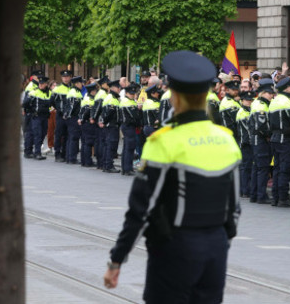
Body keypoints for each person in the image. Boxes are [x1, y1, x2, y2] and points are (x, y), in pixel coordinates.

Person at [104, 50, 241, 303]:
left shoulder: (163, 141)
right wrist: (220, 244)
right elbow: (234, 210)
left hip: (175, 248)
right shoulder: (226, 140)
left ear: (174, 96)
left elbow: (141, 209)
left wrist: (117, 259)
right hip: (215, 248)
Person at [268, 77, 290, 207]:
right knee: (285, 168)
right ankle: (283, 198)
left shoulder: (273, 101)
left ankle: (275, 197)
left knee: (277, 168)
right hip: (285, 138)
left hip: (275, 137)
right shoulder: (288, 102)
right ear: (286, 88)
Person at [249, 78, 274, 204]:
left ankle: (254, 194)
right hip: (261, 140)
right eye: (270, 93)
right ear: (263, 92)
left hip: (256, 140)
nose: (271, 96)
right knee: (263, 168)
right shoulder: (261, 105)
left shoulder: (256, 103)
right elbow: (262, 127)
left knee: (257, 168)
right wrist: (269, 135)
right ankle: (261, 195)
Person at [23, 75, 51, 160]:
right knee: (37, 134)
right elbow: (25, 103)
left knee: (43, 133)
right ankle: (36, 153)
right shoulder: (34, 92)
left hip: (45, 116)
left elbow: (52, 103)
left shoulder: (49, 93)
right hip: (36, 116)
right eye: (40, 83)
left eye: (43, 84)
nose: (41, 85)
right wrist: (31, 111)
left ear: (46, 84)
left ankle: (33, 151)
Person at [236, 90, 255, 199]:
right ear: (242, 101)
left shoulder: (248, 110)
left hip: (247, 142)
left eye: (250, 100)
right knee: (245, 167)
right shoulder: (242, 112)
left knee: (247, 167)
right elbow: (248, 129)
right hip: (245, 143)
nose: (249, 102)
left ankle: (245, 189)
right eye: (247, 101)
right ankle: (245, 190)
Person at [120, 84, 142, 176]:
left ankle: (125, 168)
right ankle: (127, 169)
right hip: (129, 126)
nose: (133, 95)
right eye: (131, 93)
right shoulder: (127, 102)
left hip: (128, 126)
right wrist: (139, 110)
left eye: (133, 93)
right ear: (126, 93)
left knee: (126, 148)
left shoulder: (130, 101)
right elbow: (135, 116)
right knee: (129, 148)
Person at [100, 80, 122, 173]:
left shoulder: (110, 97)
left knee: (107, 145)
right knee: (111, 145)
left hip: (109, 125)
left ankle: (106, 165)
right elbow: (109, 113)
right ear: (114, 88)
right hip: (112, 125)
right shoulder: (112, 98)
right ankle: (109, 165)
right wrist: (105, 122)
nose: (120, 89)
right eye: (119, 88)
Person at [52, 70, 72, 162]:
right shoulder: (57, 88)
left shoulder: (72, 88)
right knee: (59, 134)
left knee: (67, 135)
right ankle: (57, 154)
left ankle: (65, 153)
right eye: (64, 77)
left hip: (69, 115)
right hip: (60, 115)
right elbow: (52, 101)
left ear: (70, 77)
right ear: (61, 78)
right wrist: (58, 109)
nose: (66, 78)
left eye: (67, 76)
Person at [64, 76, 84, 164]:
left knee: (71, 138)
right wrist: (69, 115)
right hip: (73, 118)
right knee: (74, 138)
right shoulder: (74, 92)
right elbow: (72, 106)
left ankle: (69, 157)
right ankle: (72, 158)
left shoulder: (75, 91)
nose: (82, 84)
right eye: (81, 83)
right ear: (77, 84)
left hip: (71, 117)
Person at [79, 82, 99, 167]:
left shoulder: (86, 97)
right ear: (92, 91)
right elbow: (87, 112)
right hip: (88, 123)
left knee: (85, 142)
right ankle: (87, 161)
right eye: (95, 90)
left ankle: (84, 160)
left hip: (84, 123)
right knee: (88, 143)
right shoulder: (90, 100)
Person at [92, 76, 110, 169]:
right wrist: (97, 119)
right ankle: (101, 162)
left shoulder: (102, 93)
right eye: (108, 83)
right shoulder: (102, 94)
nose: (109, 85)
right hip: (100, 121)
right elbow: (98, 108)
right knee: (101, 142)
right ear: (103, 84)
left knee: (99, 141)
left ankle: (100, 162)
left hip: (98, 120)